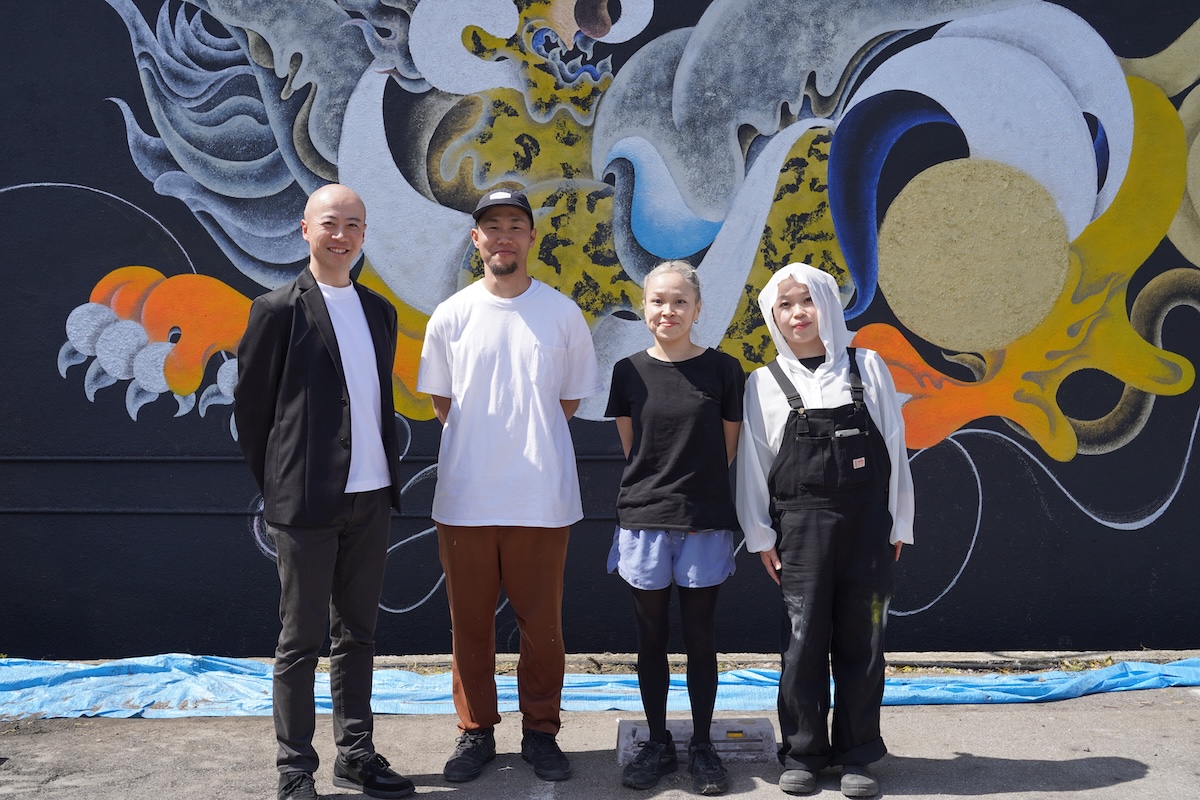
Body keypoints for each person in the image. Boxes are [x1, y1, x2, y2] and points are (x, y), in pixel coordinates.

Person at [234, 184, 414, 800]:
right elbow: (252, 413)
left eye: (354, 225)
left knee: (358, 635)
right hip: (305, 504)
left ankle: (356, 756)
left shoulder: (379, 311)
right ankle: (294, 770)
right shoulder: (276, 310)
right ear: (305, 229)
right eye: (330, 223)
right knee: (300, 641)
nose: (342, 235)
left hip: (372, 496)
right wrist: (283, 486)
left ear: (364, 234)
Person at [416, 188, 601, 785]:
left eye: (515, 225)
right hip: (465, 497)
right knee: (469, 625)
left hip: (540, 497)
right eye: (492, 225)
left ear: (531, 237)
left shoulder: (562, 314)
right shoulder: (451, 315)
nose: (503, 235)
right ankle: (475, 731)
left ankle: (541, 731)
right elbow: (443, 403)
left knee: (541, 626)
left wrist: (527, 440)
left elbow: (567, 402)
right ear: (476, 239)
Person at [735, 262, 915, 799]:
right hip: (800, 529)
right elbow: (754, 464)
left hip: (867, 527)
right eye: (785, 304)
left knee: (864, 641)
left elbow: (895, 445)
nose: (798, 313)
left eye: (807, 300)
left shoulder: (868, 366)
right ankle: (803, 754)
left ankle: (858, 754)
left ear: (828, 304)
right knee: (802, 642)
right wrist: (760, 535)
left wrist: (900, 521)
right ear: (773, 315)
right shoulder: (764, 383)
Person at [605, 260, 745, 795]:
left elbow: (727, 449)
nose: (669, 310)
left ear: (698, 309)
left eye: (680, 301)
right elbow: (634, 449)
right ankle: (659, 742)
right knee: (651, 640)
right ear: (644, 307)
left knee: (701, 639)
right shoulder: (627, 372)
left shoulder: (725, 370)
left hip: (703, 522)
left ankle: (703, 745)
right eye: (658, 300)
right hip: (644, 522)